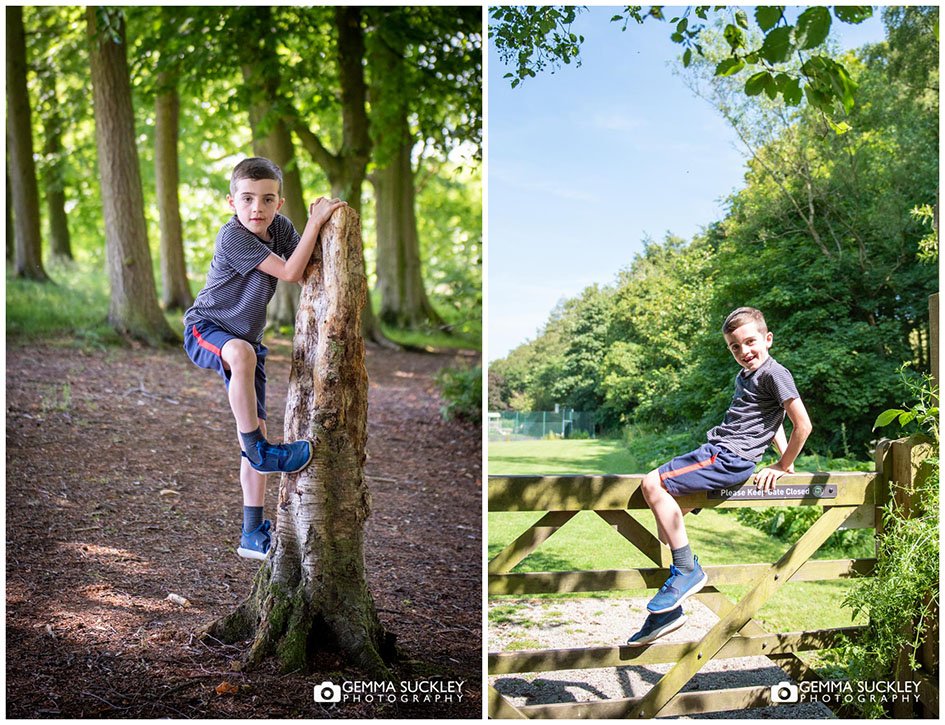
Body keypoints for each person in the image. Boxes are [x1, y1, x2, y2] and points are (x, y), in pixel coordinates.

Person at [182, 157, 346, 561]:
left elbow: (306, 265)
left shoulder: (282, 229)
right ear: (231, 202)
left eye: (267, 199)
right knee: (238, 355)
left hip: (248, 348)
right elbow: (289, 273)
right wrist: (316, 221)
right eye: (248, 198)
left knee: (253, 413)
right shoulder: (233, 237)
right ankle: (260, 449)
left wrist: (321, 232)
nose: (257, 207)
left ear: (279, 202)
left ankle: (252, 531)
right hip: (208, 327)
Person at [627, 306, 812, 646]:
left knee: (651, 483)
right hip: (724, 453)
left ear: (768, 339)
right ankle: (668, 613)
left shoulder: (776, 373)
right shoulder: (745, 377)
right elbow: (772, 422)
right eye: (735, 347)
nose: (744, 352)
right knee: (667, 525)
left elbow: (803, 423)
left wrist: (782, 466)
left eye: (750, 342)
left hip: (725, 456)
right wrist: (780, 454)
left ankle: (687, 572)